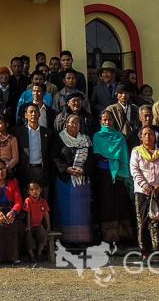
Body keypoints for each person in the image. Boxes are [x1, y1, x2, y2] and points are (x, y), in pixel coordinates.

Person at [92, 109, 134, 246]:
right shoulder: (97, 136)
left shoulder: (120, 137)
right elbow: (97, 154)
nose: (107, 122)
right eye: (104, 120)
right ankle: (109, 238)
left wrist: (112, 159)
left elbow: (124, 157)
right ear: (100, 121)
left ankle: (124, 237)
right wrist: (111, 159)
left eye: (109, 119)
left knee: (121, 205)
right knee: (107, 206)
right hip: (104, 176)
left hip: (120, 175)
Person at [130, 125, 159, 255]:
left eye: (151, 134)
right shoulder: (136, 152)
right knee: (142, 222)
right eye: (145, 134)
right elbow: (135, 170)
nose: (148, 137)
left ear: (155, 137)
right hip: (143, 192)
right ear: (141, 138)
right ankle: (145, 252)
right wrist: (145, 185)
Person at [52, 113, 93, 246]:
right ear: (66, 124)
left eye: (77, 123)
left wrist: (84, 170)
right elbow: (54, 157)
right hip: (65, 180)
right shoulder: (59, 139)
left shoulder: (86, 140)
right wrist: (66, 168)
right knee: (66, 209)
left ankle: (81, 240)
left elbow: (91, 159)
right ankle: (66, 240)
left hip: (82, 181)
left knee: (81, 210)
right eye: (72, 122)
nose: (75, 125)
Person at [12, 103, 49, 196]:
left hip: (42, 170)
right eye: (31, 112)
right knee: (26, 199)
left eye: (36, 111)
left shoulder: (47, 132)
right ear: (25, 115)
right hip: (25, 169)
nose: (33, 114)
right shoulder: (18, 132)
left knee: (43, 198)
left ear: (39, 114)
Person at [23, 181, 51, 264]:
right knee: (28, 237)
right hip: (29, 226)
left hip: (38, 225)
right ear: (28, 191)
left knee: (43, 235)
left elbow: (46, 214)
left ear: (41, 190)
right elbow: (28, 214)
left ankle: (39, 253)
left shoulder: (43, 201)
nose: (34, 191)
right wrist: (28, 226)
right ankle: (32, 256)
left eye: (37, 189)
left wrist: (48, 226)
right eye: (32, 189)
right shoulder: (28, 200)